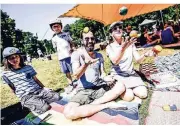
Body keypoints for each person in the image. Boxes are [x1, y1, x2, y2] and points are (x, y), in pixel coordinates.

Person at [63, 30, 126, 120]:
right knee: (68, 113)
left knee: (121, 86)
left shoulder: (99, 55)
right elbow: (76, 75)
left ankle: (91, 105)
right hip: (84, 91)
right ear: (82, 41)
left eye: (92, 38)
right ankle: (106, 105)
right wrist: (86, 64)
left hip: (99, 87)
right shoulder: (76, 54)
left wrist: (106, 77)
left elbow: (102, 73)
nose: (90, 41)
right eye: (87, 39)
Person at [1, 47, 60, 114]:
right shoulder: (5, 74)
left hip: (39, 91)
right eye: (11, 58)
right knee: (45, 108)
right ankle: (30, 105)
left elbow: (36, 80)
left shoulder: (28, 67)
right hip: (27, 96)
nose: (15, 59)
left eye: (16, 56)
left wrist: (44, 88)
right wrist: (22, 98)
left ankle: (39, 102)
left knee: (57, 97)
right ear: (7, 60)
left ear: (20, 57)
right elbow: (12, 88)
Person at [106, 21, 154, 102]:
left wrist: (145, 55)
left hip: (131, 74)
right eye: (115, 29)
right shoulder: (109, 47)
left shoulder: (130, 44)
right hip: (118, 76)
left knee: (143, 94)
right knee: (129, 97)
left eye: (120, 28)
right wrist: (123, 48)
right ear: (111, 33)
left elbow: (138, 60)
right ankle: (118, 88)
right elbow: (115, 61)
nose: (118, 29)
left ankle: (131, 89)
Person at [49, 18, 75, 93]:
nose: (56, 28)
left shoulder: (66, 34)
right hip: (61, 58)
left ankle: (80, 81)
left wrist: (73, 48)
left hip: (69, 56)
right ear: (52, 29)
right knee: (67, 72)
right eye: (54, 27)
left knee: (74, 70)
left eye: (58, 26)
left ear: (61, 27)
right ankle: (71, 84)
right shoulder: (53, 39)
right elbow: (56, 48)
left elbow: (71, 42)